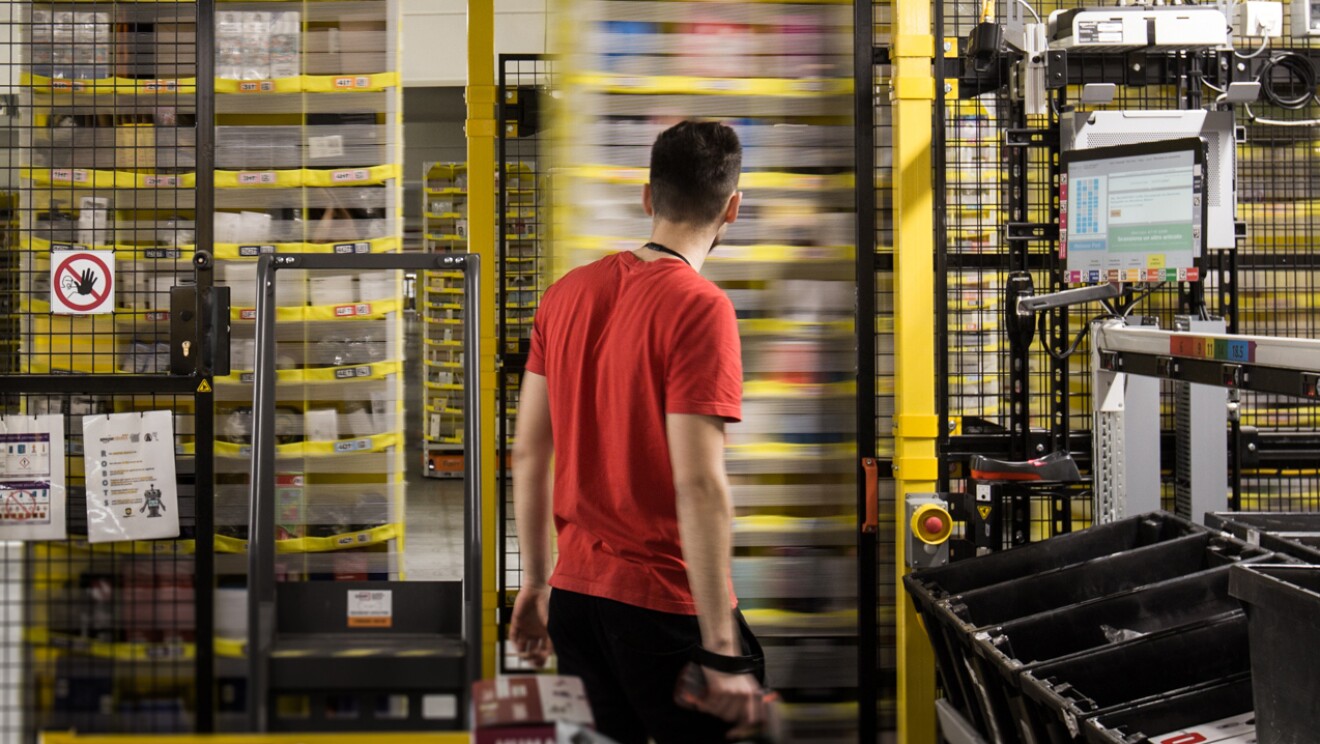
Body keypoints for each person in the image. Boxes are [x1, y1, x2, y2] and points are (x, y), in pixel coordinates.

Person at [509, 120, 765, 743]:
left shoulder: (564, 295)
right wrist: (722, 651)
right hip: (662, 607)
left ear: (648, 198)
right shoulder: (701, 307)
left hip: (576, 601)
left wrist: (537, 583)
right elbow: (699, 485)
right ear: (733, 208)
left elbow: (528, 452)